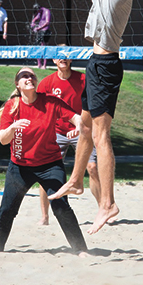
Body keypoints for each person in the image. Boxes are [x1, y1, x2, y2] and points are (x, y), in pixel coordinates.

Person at [49, 0, 143, 235]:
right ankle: (77, 181)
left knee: (102, 136)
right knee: (84, 126)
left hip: (107, 66)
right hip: (95, 63)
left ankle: (108, 203)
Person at [0, 68, 87, 255]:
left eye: (32, 75)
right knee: (7, 210)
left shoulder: (50, 102)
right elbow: (3, 139)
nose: (29, 77)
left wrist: (79, 128)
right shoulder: (12, 106)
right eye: (24, 76)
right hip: (20, 167)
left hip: (50, 165)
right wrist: (13, 127)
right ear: (17, 84)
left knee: (61, 206)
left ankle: (81, 250)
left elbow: (77, 118)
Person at [35, 54, 99, 225]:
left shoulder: (83, 79)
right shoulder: (47, 83)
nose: (63, 60)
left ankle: (103, 209)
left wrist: (81, 127)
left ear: (71, 60)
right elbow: (39, 109)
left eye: (66, 57)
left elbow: (95, 104)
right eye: (59, 57)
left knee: (92, 167)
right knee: (45, 173)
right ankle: (45, 216)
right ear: (53, 61)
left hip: (82, 130)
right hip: (57, 132)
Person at [30, 3, 53, 69]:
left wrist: (38, 28)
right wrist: (33, 22)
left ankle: (44, 65)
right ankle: (39, 64)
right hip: (39, 31)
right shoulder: (39, 12)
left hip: (45, 31)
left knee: (44, 47)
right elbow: (36, 18)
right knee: (37, 47)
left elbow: (47, 22)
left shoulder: (46, 11)